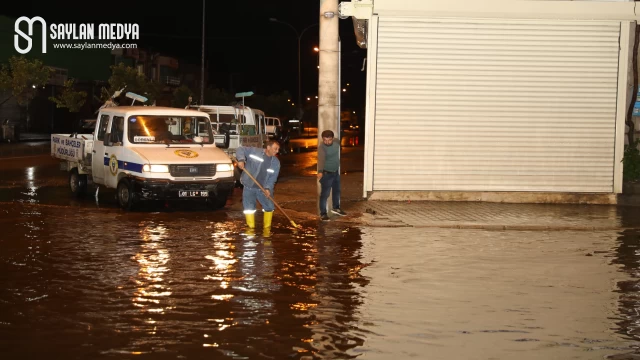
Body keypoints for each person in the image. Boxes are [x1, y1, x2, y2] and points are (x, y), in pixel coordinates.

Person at [236, 140, 281, 229]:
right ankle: (250, 229)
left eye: (278, 149)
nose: (277, 151)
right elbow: (240, 149)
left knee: (269, 207)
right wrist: (241, 160)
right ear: (268, 148)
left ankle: (267, 230)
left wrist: (268, 188)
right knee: (249, 209)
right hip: (249, 187)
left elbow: (272, 178)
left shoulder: (276, 163)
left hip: (263, 189)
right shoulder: (255, 152)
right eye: (275, 149)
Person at [317, 130, 347, 221]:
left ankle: (336, 208)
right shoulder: (322, 147)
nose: (327, 142)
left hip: (335, 172)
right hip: (326, 174)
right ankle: (323, 213)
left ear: (332, 139)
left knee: (337, 191)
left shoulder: (337, 142)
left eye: (329, 140)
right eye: (325, 140)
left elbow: (339, 142)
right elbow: (321, 160)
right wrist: (320, 171)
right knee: (325, 194)